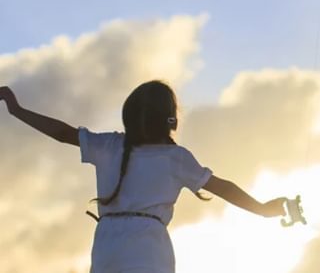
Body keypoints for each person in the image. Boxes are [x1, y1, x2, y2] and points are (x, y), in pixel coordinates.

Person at [0, 81, 287, 273]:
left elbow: (63, 133)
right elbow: (223, 188)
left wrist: (17, 110)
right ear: (170, 120)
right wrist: (262, 209)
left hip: (106, 250)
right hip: (149, 254)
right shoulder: (176, 158)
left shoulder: (109, 145)